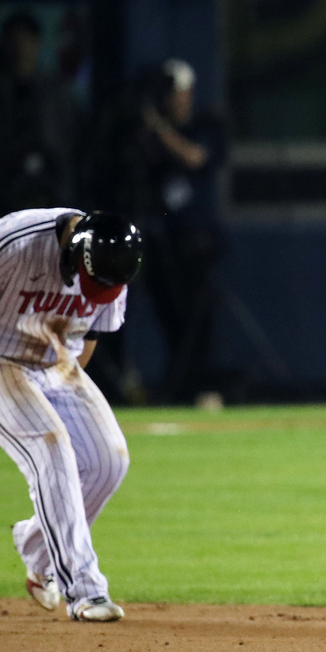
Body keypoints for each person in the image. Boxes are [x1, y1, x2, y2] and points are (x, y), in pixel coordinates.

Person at [0, 209, 144, 622]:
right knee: (51, 450)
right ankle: (84, 591)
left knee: (110, 462)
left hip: (55, 362)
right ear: (74, 253)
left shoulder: (112, 268)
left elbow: (89, 336)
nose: (100, 290)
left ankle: (36, 548)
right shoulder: (14, 244)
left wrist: (63, 392)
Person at [132, 59, 226, 404]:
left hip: (197, 239)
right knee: (167, 313)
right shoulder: (148, 138)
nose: (176, 99)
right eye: (170, 93)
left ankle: (201, 385)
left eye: (180, 92)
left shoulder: (205, 124)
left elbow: (195, 158)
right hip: (161, 238)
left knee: (198, 315)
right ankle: (178, 387)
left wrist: (159, 129)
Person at [0, 11, 79, 228]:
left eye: (25, 40)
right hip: (4, 193)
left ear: (37, 42)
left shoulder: (56, 92)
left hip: (52, 188)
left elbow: (71, 138)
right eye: (13, 41)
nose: (20, 47)